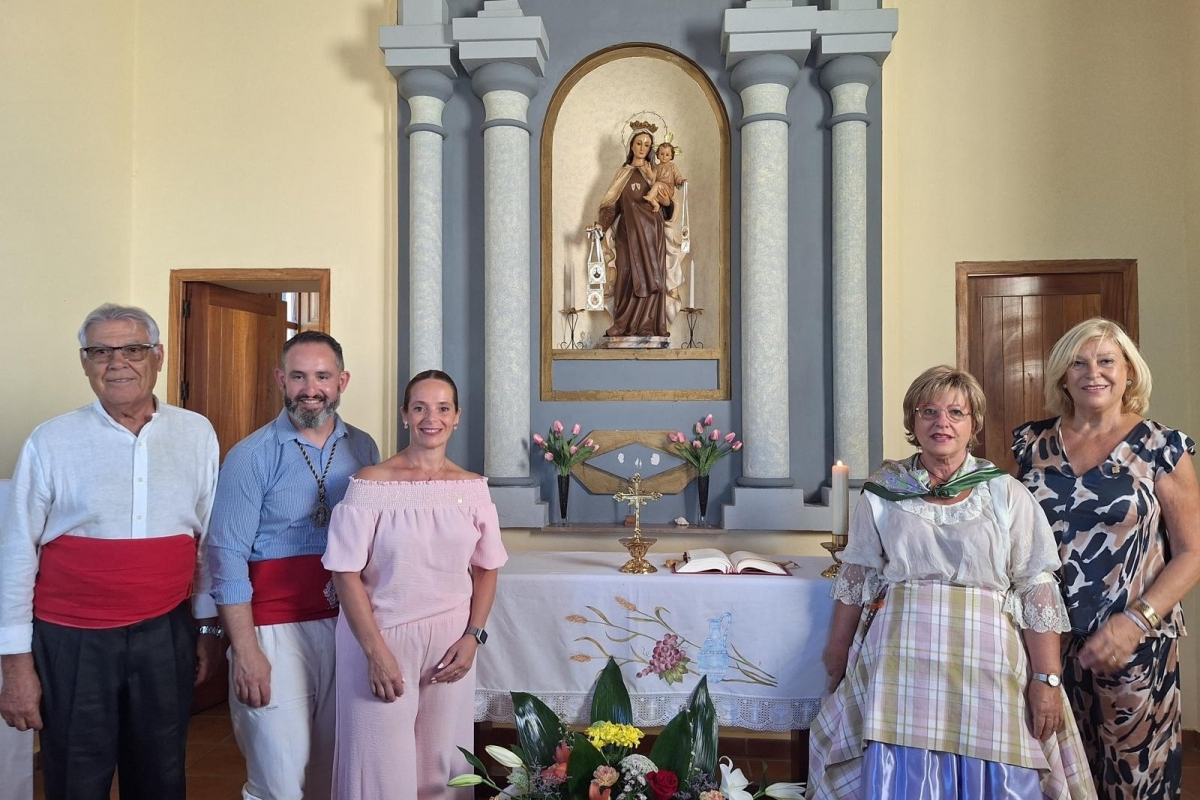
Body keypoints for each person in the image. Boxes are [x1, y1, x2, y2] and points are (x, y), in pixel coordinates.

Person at [808, 365, 1095, 800]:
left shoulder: (1005, 493)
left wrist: (1047, 679)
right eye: (929, 411)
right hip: (900, 665)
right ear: (912, 421)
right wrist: (836, 653)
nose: (941, 422)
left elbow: (1036, 587)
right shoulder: (883, 492)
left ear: (973, 424)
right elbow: (857, 575)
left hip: (988, 665)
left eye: (956, 412)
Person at [0, 303, 220, 800]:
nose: (117, 362)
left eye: (133, 349)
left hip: (166, 632)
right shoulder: (51, 441)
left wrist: (207, 629)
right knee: (76, 777)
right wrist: (14, 664)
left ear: (158, 357)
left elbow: (208, 540)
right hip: (72, 640)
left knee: (162, 774)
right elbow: (16, 553)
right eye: (100, 351)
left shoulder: (196, 433)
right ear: (85, 362)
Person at [1013, 318, 1200, 800]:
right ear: (1063, 375)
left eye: (1106, 361)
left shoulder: (1161, 447)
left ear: (1129, 372)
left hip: (1135, 646)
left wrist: (1136, 622)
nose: (1092, 373)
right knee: (1055, 777)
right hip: (1046, 644)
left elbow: (1192, 553)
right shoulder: (1031, 446)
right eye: (1078, 363)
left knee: (1134, 783)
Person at [206, 330, 380, 800]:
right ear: (281, 380)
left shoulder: (364, 449)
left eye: (322, 376)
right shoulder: (250, 456)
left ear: (342, 381)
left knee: (333, 771)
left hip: (345, 625)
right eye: (299, 376)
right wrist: (246, 652)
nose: (311, 388)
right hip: (274, 629)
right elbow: (226, 558)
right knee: (279, 779)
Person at [323, 370, 507, 799]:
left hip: (451, 644)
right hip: (380, 636)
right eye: (420, 407)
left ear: (457, 416)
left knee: (442, 771)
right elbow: (344, 573)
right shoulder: (370, 484)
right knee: (378, 772)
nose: (431, 418)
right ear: (405, 414)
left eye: (443, 408)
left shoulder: (473, 489)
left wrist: (473, 637)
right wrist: (375, 653)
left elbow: (487, 568)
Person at [596, 122, 680, 340]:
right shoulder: (623, 174)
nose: (642, 148)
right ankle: (622, 324)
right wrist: (600, 225)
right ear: (631, 145)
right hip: (628, 233)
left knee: (652, 277)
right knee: (626, 275)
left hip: (652, 234)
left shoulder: (654, 173)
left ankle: (649, 326)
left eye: (647, 144)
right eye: (639, 143)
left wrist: (666, 202)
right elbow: (612, 206)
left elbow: (667, 206)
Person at [643, 141, 685, 214]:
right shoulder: (657, 167)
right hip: (658, 190)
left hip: (667, 189)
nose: (664, 157)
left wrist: (681, 181)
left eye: (667, 155)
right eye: (662, 154)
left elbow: (677, 176)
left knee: (656, 186)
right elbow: (652, 177)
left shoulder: (672, 166)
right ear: (658, 155)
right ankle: (656, 205)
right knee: (651, 192)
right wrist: (649, 170)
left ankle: (650, 196)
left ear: (671, 156)